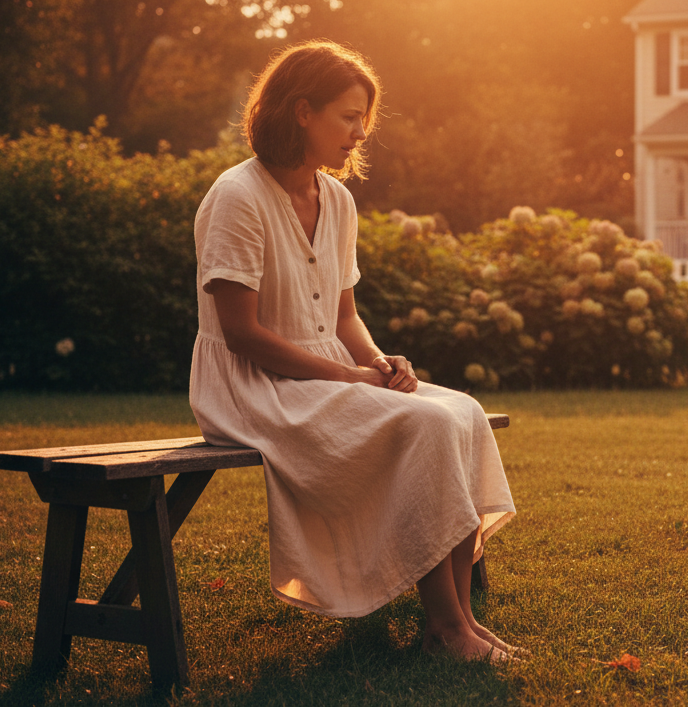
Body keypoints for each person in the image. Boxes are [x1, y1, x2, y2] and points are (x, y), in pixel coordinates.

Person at [189, 40, 520, 663]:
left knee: (462, 411)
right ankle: (444, 629)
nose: (360, 132)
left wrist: (379, 362)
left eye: (364, 117)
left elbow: (343, 315)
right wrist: (349, 376)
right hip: (252, 385)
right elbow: (244, 334)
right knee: (423, 424)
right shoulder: (238, 196)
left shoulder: (337, 200)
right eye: (348, 116)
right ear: (301, 111)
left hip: (324, 373)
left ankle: (463, 624)